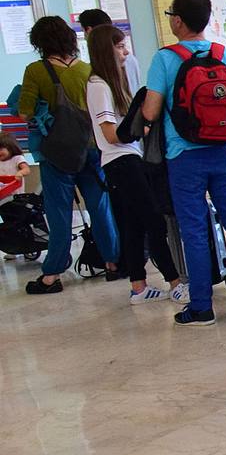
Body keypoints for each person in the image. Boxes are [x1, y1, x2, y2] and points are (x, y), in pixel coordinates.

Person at [140, 0, 226, 325]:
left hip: (184, 155)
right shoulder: (224, 54)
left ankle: (202, 306)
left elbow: (151, 111)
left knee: (194, 229)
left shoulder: (165, 58)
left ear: (178, 21)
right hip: (225, 151)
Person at [17, 14, 122, 293]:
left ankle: (52, 274)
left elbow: (25, 110)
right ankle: (113, 261)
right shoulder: (88, 70)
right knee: (100, 206)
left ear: (39, 43)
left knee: (59, 212)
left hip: (57, 153)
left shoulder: (36, 71)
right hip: (92, 148)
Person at [85, 24, 184, 305]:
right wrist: (137, 124)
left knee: (132, 224)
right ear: (107, 50)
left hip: (127, 157)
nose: (125, 52)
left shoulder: (111, 83)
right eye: (119, 47)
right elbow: (110, 134)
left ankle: (139, 286)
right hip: (121, 160)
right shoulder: (98, 86)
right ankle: (175, 281)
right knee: (153, 219)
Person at [77, 8, 142, 92]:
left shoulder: (107, 61)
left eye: (83, 31)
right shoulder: (131, 58)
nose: (85, 37)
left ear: (89, 30)